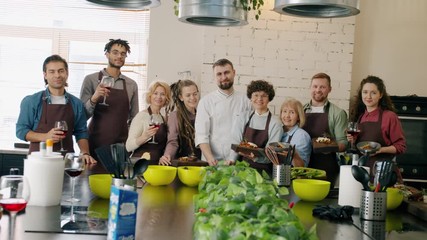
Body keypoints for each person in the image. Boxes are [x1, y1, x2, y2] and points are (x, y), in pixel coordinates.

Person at [16, 55, 95, 164]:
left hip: (66, 162)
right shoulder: (31, 101)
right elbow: (21, 131)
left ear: (67, 73)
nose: (57, 75)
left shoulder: (76, 103)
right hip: (38, 162)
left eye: (61, 71)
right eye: (52, 72)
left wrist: (85, 153)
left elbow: (81, 132)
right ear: (45, 75)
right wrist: (45, 137)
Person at [80, 39, 139, 159]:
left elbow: (134, 119)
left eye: (123, 54)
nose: (119, 56)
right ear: (107, 54)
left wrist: (132, 143)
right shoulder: (91, 80)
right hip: (95, 143)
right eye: (115, 52)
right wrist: (95, 97)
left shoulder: (131, 84)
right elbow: (82, 116)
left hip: (121, 146)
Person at [347, 75, 406, 181]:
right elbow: (359, 149)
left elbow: (400, 147)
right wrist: (353, 141)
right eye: (365, 92)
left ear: (380, 95)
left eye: (373, 93)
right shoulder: (360, 117)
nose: (368, 96)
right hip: (364, 173)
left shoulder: (389, 117)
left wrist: (380, 150)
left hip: (384, 173)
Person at [195, 58, 252, 166]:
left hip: (238, 162)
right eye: (219, 74)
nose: (223, 77)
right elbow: (201, 135)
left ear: (234, 73)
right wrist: (210, 159)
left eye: (227, 73)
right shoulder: (206, 102)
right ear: (214, 77)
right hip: (212, 161)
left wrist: (234, 158)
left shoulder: (246, 101)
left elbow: (248, 135)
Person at [303, 73, 348, 187]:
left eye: (322, 87)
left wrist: (329, 147)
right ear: (310, 88)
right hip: (303, 166)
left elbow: (343, 143)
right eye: (315, 86)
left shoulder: (338, 113)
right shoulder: (301, 110)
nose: (318, 90)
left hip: (326, 166)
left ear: (329, 89)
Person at [228, 80, 283, 174]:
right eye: (256, 95)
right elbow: (236, 141)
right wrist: (231, 160)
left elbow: (271, 154)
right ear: (251, 97)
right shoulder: (243, 117)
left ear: (269, 98)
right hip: (241, 169)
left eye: (264, 95)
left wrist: (256, 157)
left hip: (264, 172)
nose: (259, 98)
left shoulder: (275, 123)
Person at [126, 81, 171, 165]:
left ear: (166, 98)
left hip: (157, 165)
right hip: (140, 165)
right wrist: (144, 137)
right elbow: (128, 146)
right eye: (155, 93)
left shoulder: (163, 118)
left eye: (162, 94)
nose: (159, 97)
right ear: (150, 96)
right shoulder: (141, 116)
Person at [159, 80, 201, 166]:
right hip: (181, 164)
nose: (192, 98)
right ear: (181, 97)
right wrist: (167, 156)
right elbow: (172, 142)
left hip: (201, 162)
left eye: (195, 94)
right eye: (188, 95)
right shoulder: (175, 116)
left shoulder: (202, 114)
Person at [280, 98, 312, 167]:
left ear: (298, 117)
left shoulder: (302, 136)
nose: (287, 116)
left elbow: (302, 167)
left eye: (292, 112)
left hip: (292, 176)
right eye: (285, 111)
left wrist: (294, 155)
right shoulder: (278, 131)